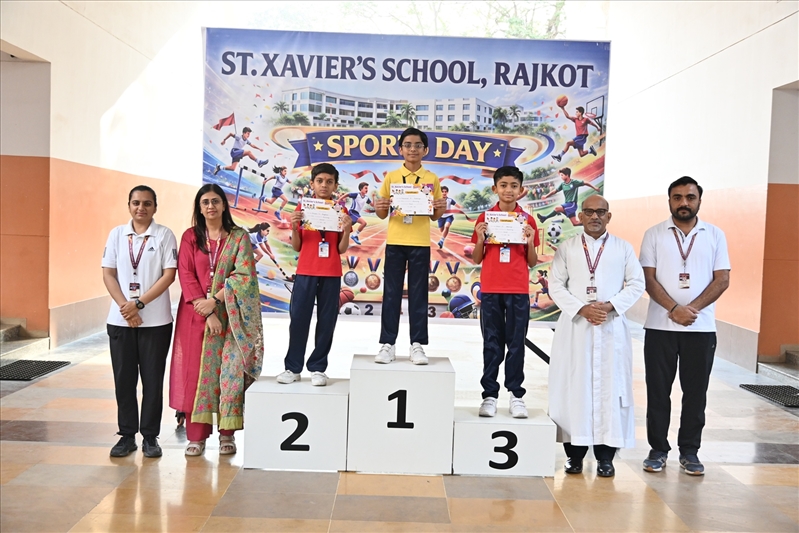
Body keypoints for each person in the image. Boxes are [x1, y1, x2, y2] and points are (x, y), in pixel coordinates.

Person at [547, 195, 645, 477]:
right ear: (579, 216)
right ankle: (574, 456)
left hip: (610, 326)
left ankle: (605, 458)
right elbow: (556, 285)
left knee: (610, 389)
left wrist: (609, 306)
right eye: (589, 212)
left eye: (600, 212)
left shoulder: (623, 248)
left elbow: (637, 283)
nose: (594, 217)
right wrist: (583, 309)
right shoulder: (567, 248)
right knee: (574, 387)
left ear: (608, 216)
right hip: (576, 327)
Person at [639, 176, 730, 476]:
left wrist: (692, 310)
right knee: (657, 392)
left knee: (695, 393)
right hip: (660, 327)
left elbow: (722, 279)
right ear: (669, 201)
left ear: (699, 200)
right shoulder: (654, 234)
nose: (684, 203)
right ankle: (657, 450)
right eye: (677, 197)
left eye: (690, 197)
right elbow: (648, 279)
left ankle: (690, 451)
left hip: (700, 329)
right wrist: (674, 309)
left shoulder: (714, 235)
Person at [170, 184, 264, 456]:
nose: (210, 206)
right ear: (199, 208)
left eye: (215, 201)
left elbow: (244, 274)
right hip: (194, 315)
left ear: (224, 205)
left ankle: (227, 434)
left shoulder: (238, 237)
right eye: (205, 202)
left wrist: (216, 302)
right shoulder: (190, 237)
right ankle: (196, 437)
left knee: (229, 373)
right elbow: (186, 274)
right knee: (195, 375)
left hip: (231, 317)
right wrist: (207, 311)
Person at [102, 185, 177, 458]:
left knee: (152, 381)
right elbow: (108, 273)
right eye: (136, 203)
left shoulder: (164, 235)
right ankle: (126, 436)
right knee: (124, 380)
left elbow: (169, 275)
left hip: (155, 322)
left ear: (155, 207)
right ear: (129, 205)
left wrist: (139, 304)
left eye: (147, 203)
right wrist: (126, 306)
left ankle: (150, 437)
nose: (141, 208)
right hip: (120, 321)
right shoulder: (116, 235)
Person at [470, 166, 539, 419]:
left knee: (516, 344)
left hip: (518, 290)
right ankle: (489, 395)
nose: (508, 190)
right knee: (491, 343)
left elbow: (532, 261)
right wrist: (480, 239)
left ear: (521, 190)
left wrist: (530, 241)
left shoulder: (528, 220)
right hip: (491, 290)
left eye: (513, 186)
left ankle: (516, 395)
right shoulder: (485, 218)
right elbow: (477, 258)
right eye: (503, 185)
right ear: (495, 188)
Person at [374, 127, 446, 364]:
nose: (412, 149)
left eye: (417, 145)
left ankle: (417, 344)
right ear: (400, 149)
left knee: (419, 294)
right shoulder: (392, 177)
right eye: (407, 145)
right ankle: (388, 343)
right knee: (391, 293)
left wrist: (440, 208)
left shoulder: (431, 179)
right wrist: (379, 206)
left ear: (425, 150)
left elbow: (435, 216)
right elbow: (382, 213)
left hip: (420, 242)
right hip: (395, 242)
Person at [277, 163, 353, 386]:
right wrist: (294, 227)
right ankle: (293, 368)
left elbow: (341, 249)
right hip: (306, 271)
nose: (324, 185)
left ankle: (318, 367)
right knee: (298, 320)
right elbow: (297, 246)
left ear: (336, 186)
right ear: (312, 184)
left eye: (329, 182)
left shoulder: (341, 212)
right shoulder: (303, 209)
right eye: (319, 181)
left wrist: (347, 230)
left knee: (327, 322)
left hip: (331, 273)